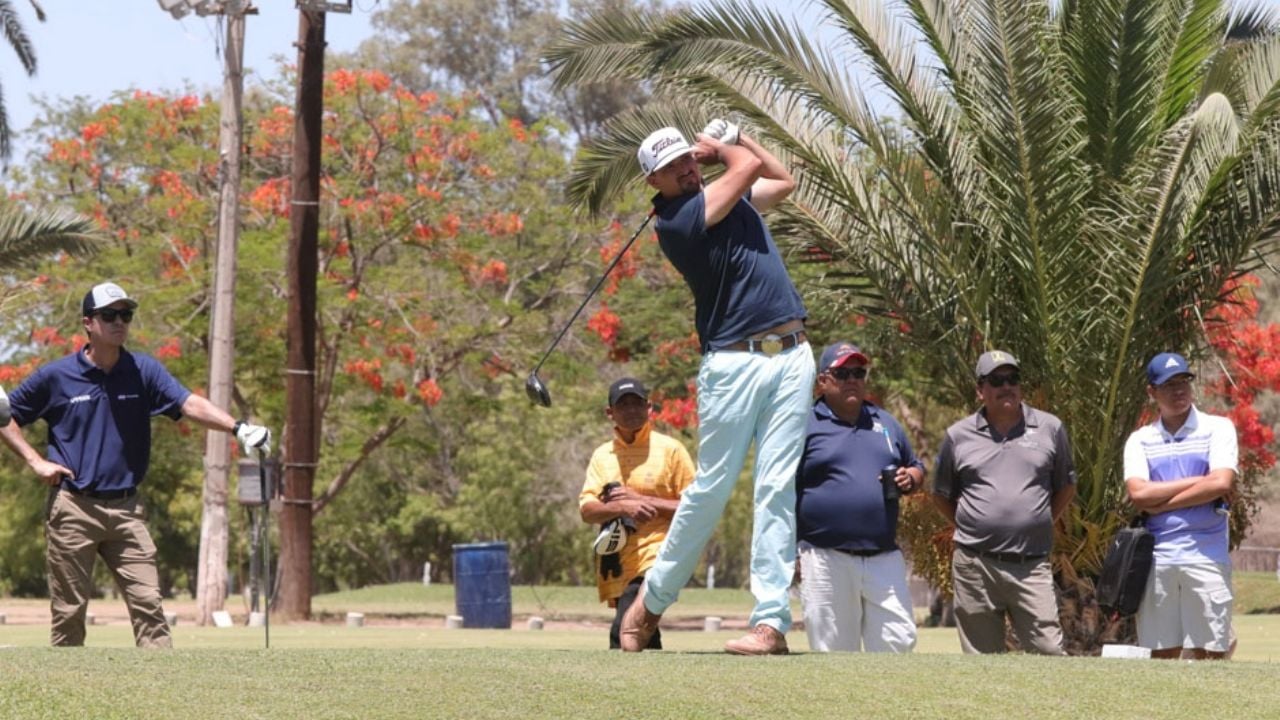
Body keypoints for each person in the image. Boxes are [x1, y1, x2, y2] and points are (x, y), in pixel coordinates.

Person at [620, 120, 815, 655]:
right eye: (673, 166)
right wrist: (721, 149)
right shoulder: (678, 220)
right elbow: (747, 168)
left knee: (776, 489)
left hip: (792, 353)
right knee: (711, 490)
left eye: (687, 158)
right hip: (733, 364)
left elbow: (781, 178)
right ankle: (650, 603)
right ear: (653, 182)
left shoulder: (724, 197)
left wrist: (739, 137)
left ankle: (770, 625)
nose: (685, 168)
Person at [0, 282, 272, 648]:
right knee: (69, 612)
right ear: (88, 323)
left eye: (125, 315)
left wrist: (238, 428)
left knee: (149, 606)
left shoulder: (142, 371)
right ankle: (70, 691)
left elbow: (188, 404)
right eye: (109, 315)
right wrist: (35, 461)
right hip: (73, 508)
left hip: (127, 509)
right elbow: (5, 414)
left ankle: (160, 691)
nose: (119, 322)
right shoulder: (56, 377)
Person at [931, 350, 1076, 655]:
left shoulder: (1050, 428)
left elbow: (1065, 486)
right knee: (983, 662)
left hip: (1031, 563)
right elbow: (941, 494)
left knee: (1048, 651)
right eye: (996, 380)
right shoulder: (958, 436)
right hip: (975, 566)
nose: (1006, 386)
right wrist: (972, 526)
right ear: (980, 390)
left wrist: (1039, 520)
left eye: (1013, 379)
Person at [795, 341, 925, 653]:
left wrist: (912, 477)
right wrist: (789, 554)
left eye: (858, 372)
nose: (853, 379)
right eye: (843, 373)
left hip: (884, 556)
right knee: (835, 654)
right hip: (825, 558)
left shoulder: (885, 422)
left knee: (899, 644)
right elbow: (783, 490)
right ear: (823, 381)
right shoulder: (804, 425)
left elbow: (916, 466)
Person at [1123, 352, 1237, 660]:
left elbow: (1221, 483)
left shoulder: (1218, 428)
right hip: (1157, 557)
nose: (1179, 391)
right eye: (1169, 385)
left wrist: (1162, 503)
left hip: (1206, 554)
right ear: (1152, 392)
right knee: (1162, 653)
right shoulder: (1140, 440)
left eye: (1184, 382)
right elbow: (1138, 494)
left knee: (1210, 652)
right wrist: (1197, 482)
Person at [579, 378, 694, 650]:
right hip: (616, 559)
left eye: (637, 403)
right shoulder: (602, 455)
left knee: (624, 628)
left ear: (649, 408)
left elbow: (694, 507)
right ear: (610, 413)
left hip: (658, 553)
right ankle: (648, 685)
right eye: (623, 404)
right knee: (643, 630)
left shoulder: (671, 450)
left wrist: (642, 500)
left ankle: (619, 683)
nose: (631, 410)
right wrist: (622, 507)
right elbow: (587, 510)